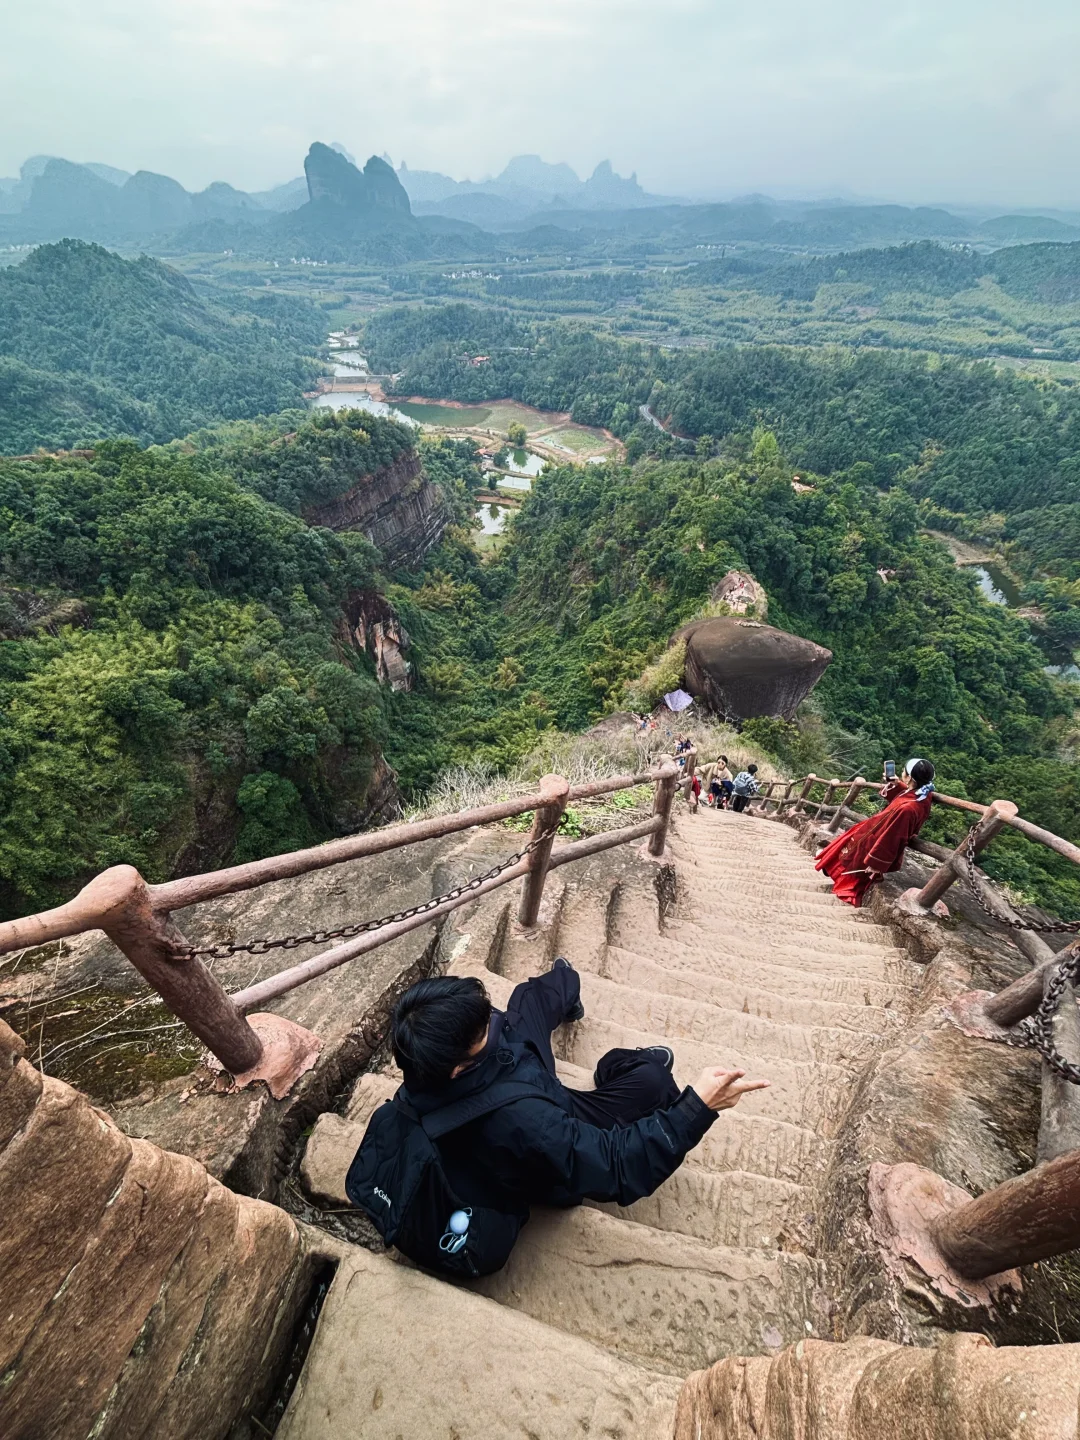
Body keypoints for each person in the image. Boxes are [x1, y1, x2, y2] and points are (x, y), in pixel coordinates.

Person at [389, 962, 768, 1240]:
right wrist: (697, 1108)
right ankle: (619, 1066)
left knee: (530, 996)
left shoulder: (422, 1064)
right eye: (484, 1030)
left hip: (512, 1079)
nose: (495, 1022)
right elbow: (617, 1165)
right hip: (541, 1110)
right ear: (457, 1068)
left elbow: (495, 1039)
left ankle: (569, 989)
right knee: (653, 1079)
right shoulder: (530, 1125)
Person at [815, 758, 936, 908]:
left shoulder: (908, 809)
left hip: (877, 841)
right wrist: (896, 784)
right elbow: (906, 795)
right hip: (872, 832)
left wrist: (877, 862)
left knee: (855, 868)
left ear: (910, 777)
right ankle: (833, 875)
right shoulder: (922, 796)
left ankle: (844, 899)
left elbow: (893, 838)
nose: (901, 772)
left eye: (904, 771)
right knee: (846, 855)